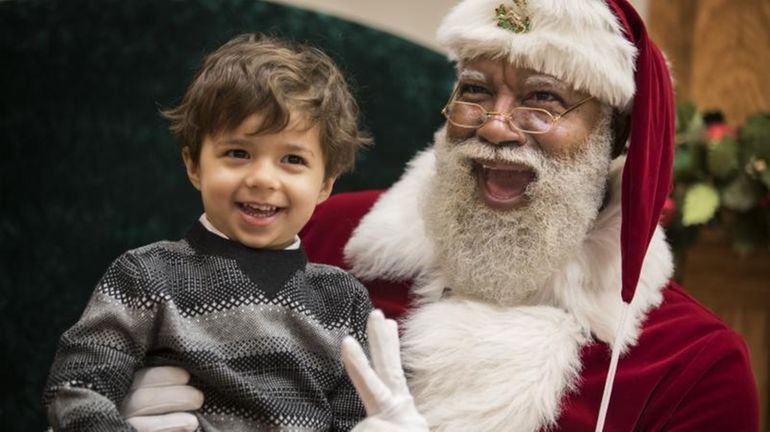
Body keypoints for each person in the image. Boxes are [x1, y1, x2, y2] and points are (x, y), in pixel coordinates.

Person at [122, 0, 761, 431]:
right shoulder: (323, 235)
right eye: (476, 90)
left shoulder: (693, 365)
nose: (497, 126)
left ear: (615, 137)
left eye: (544, 100)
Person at [43, 33, 372, 431]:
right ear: (194, 165)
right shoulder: (146, 273)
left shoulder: (343, 300)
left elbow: (359, 419)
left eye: (292, 159)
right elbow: (77, 385)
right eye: (238, 153)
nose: (262, 178)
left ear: (325, 184)